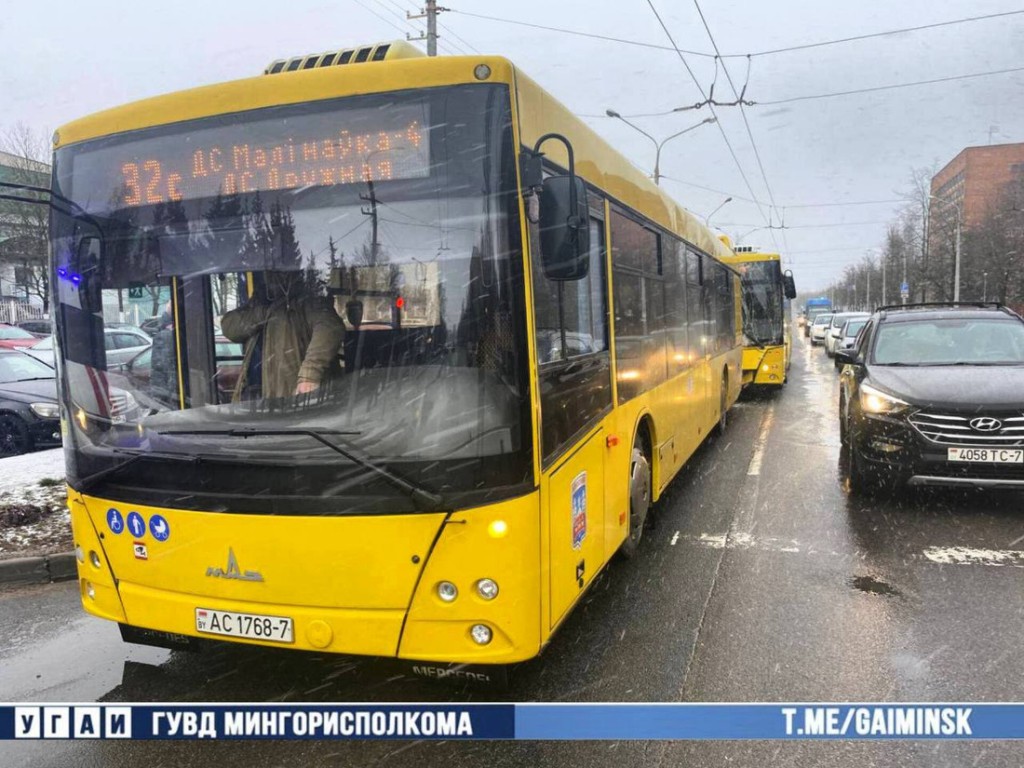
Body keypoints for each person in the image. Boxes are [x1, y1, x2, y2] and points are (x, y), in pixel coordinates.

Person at [221, 271, 344, 400]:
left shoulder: (309, 296)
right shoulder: (262, 298)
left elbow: (330, 327)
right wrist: (265, 313)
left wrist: (309, 375)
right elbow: (229, 328)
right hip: (256, 394)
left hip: (292, 397)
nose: (268, 273)